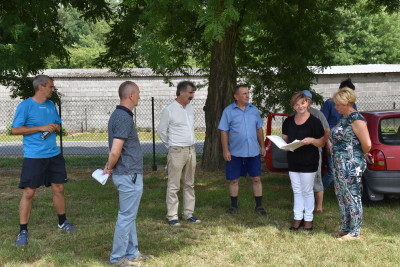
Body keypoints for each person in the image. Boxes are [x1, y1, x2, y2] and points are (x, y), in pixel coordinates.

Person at [12, 75, 77, 247]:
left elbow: (58, 124)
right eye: (51, 87)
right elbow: (15, 130)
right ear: (40, 87)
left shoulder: (50, 105)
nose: (53, 89)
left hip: (53, 154)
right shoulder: (25, 106)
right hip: (34, 156)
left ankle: (62, 222)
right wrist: (40, 128)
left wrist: (56, 127)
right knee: (29, 193)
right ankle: (23, 231)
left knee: (59, 188)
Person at [103, 81, 152, 266]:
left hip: (126, 174)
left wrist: (109, 166)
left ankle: (132, 252)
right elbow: (115, 151)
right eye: (138, 93)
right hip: (128, 175)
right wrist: (108, 167)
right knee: (125, 217)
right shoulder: (123, 117)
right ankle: (117, 258)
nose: (139, 97)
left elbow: (114, 151)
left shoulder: (118, 115)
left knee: (128, 215)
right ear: (131, 95)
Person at [330, 88, 372, 241]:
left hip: (351, 165)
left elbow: (367, 144)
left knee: (352, 195)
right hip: (339, 165)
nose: (335, 107)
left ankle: (355, 232)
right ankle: (345, 227)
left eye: (338, 104)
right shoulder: (344, 118)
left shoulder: (356, 119)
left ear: (348, 103)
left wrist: (356, 154)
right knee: (342, 195)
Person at [218, 85, 267, 215]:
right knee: (234, 180)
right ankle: (233, 206)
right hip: (235, 152)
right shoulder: (228, 111)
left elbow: (259, 129)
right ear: (236, 96)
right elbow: (224, 131)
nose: (247, 96)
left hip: (253, 152)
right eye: (244, 93)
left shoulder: (254, 110)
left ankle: (259, 206)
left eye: (248, 93)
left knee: (256, 178)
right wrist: (225, 150)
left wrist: (262, 146)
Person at [157, 81, 201, 226]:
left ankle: (188, 214)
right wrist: (171, 145)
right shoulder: (169, 109)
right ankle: (172, 216)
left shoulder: (190, 107)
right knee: (174, 185)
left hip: (191, 149)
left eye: (193, 93)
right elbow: (161, 131)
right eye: (190, 93)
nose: (192, 96)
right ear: (181, 92)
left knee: (190, 184)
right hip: (176, 151)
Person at [282, 92, 325, 231]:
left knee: (307, 191)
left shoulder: (315, 121)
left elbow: (321, 143)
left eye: (302, 103)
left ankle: (308, 220)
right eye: (296, 104)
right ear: (293, 106)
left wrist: (312, 140)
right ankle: (297, 218)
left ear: (307, 103)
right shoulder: (288, 121)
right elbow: (285, 140)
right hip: (293, 161)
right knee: (296, 191)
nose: (300, 106)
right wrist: (284, 146)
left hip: (309, 162)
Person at [321, 79, 357, 190]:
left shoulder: (352, 106)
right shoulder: (329, 103)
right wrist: (327, 142)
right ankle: (317, 192)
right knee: (333, 172)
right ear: (339, 90)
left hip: (345, 144)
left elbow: (353, 124)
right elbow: (323, 123)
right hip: (332, 142)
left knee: (343, 172)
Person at [301, 90, 330, 214]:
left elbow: (327, 131)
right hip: (299, 152)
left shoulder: (318, 114)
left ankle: (319, 207)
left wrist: (326, 143)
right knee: (302, 179)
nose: (302, 103)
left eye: (304, 100)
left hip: (314, 151)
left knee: (316, 178)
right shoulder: (295, 114)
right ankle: (303, 206)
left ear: (309, 101)